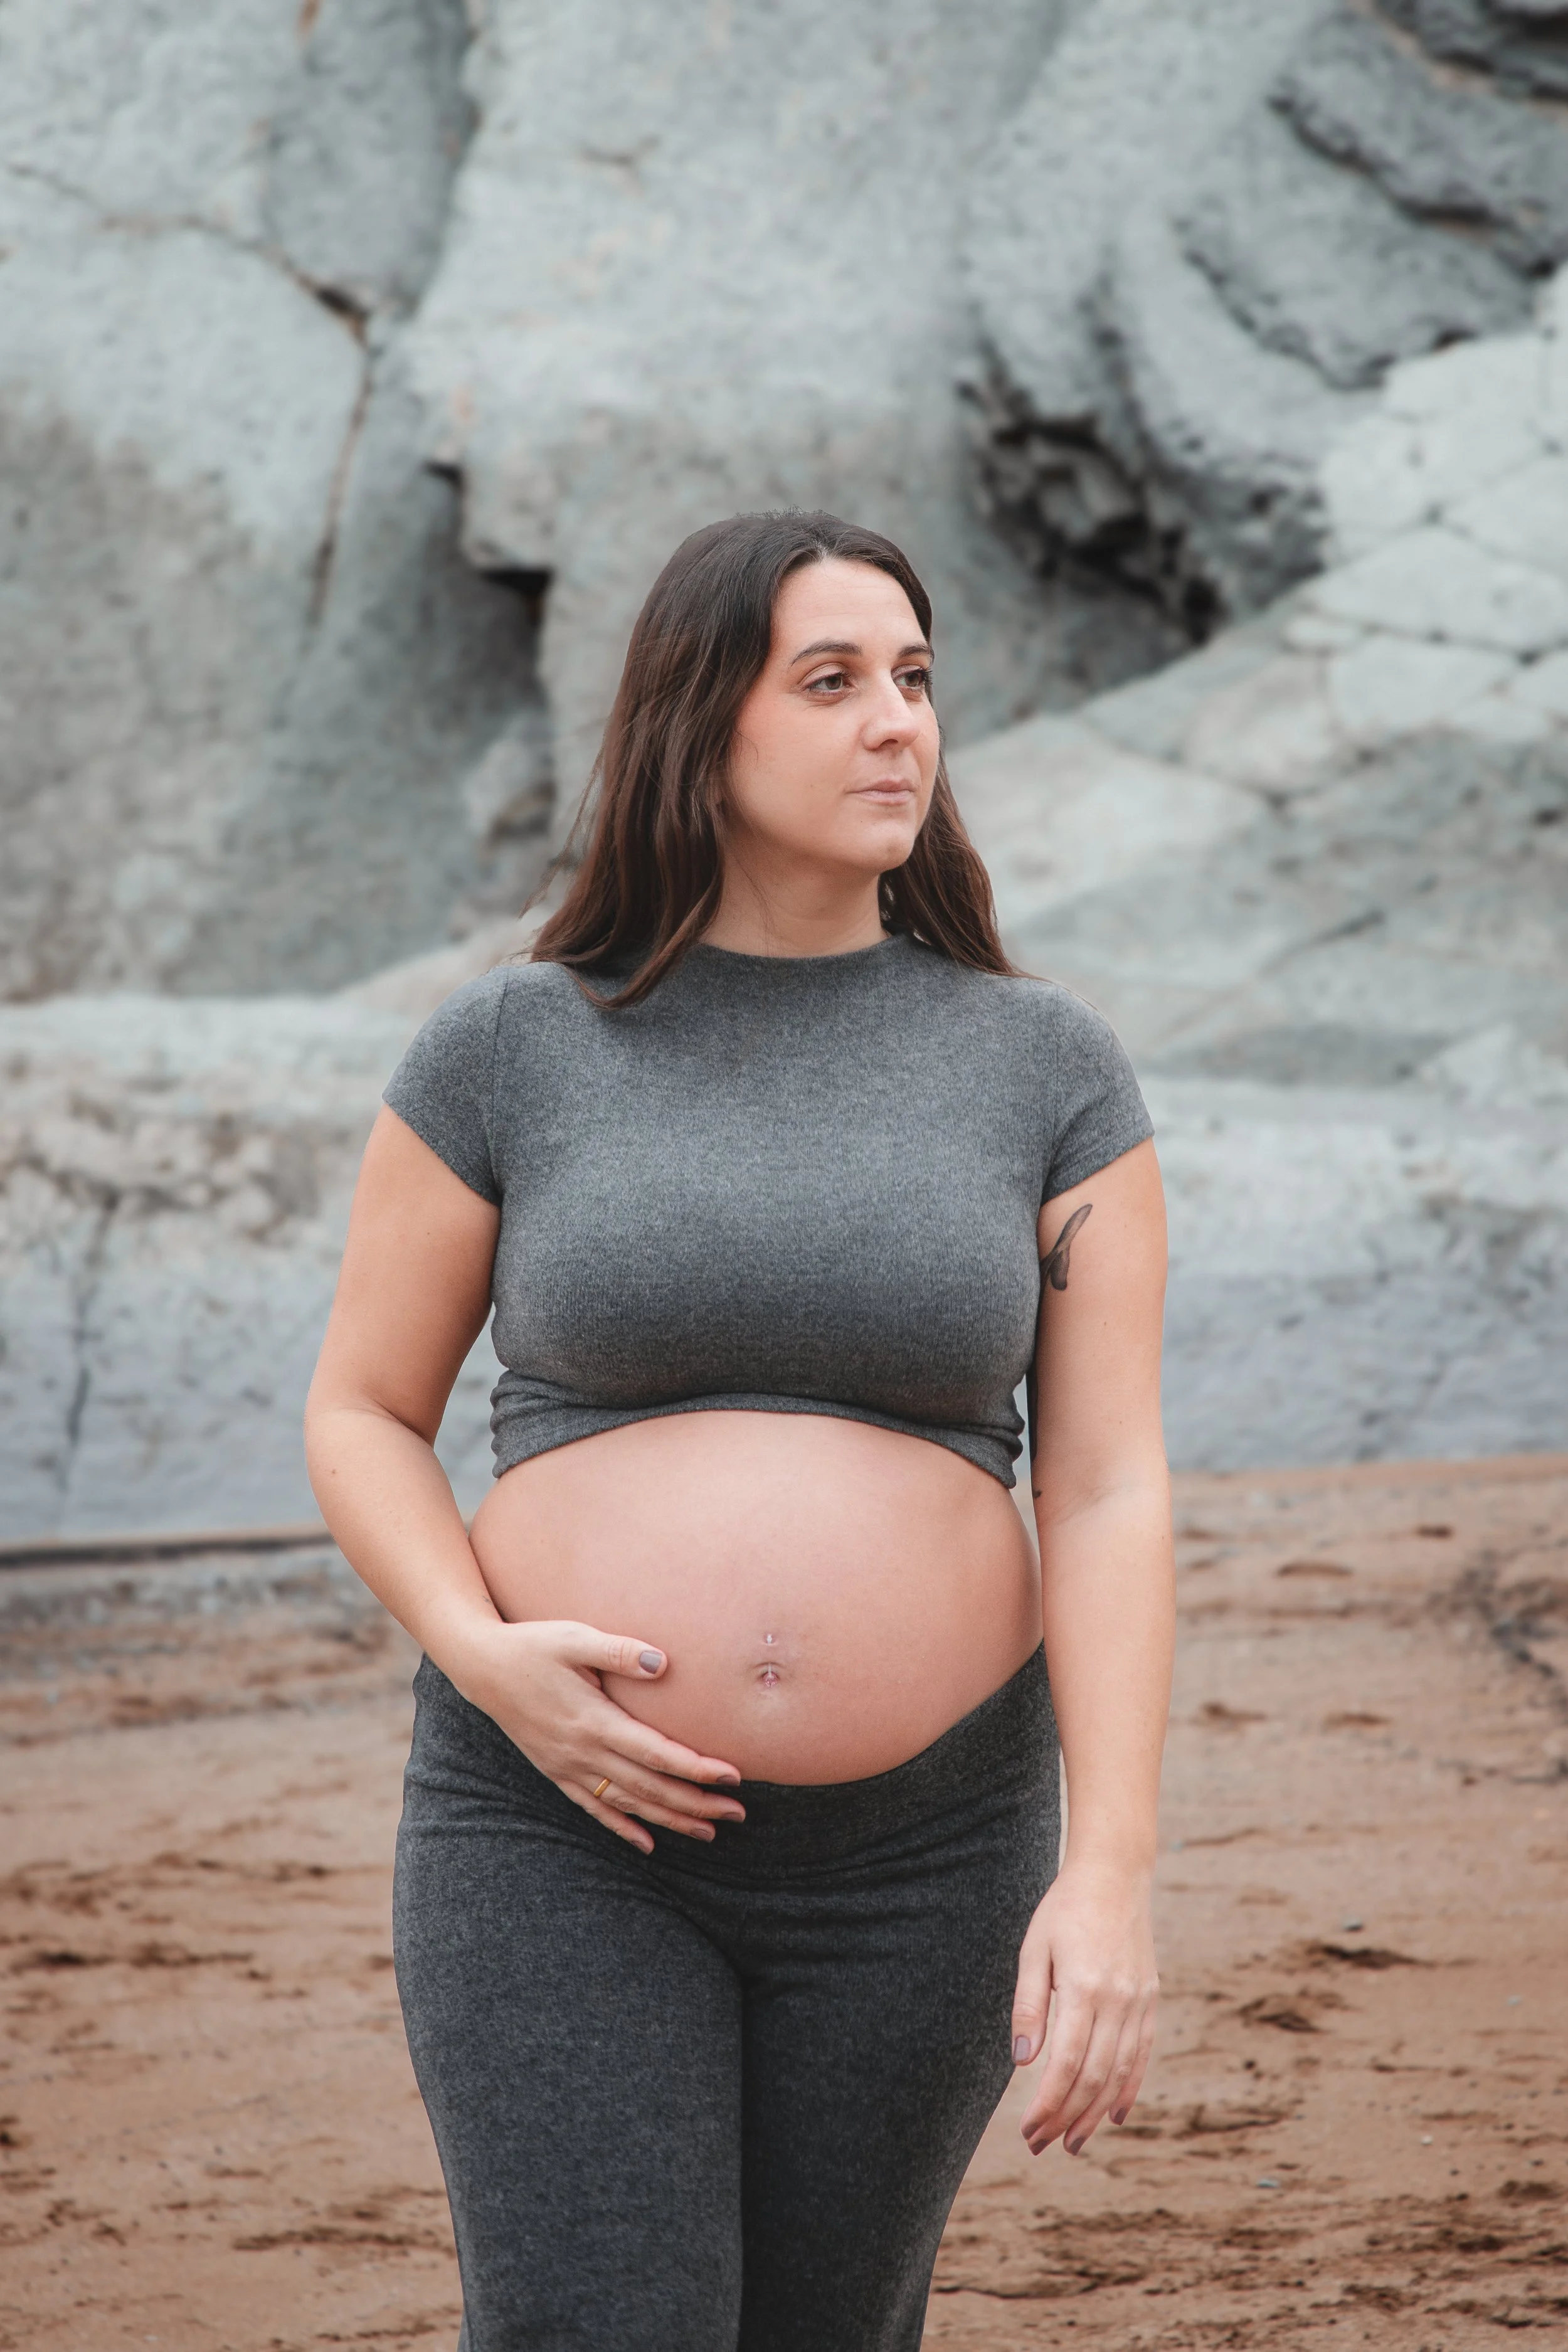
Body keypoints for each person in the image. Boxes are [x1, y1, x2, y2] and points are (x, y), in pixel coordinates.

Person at [304, 509, 1174, 2352]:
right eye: (833, 680)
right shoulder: (513, 1049)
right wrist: (481, 1659)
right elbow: (364, 1410)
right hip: (556, 1821)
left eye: (917, 680)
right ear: (703, 724)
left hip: (929, 1858)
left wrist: (1105, 1874)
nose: (897, 727)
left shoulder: (1045, 1068)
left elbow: (1103, 1487)